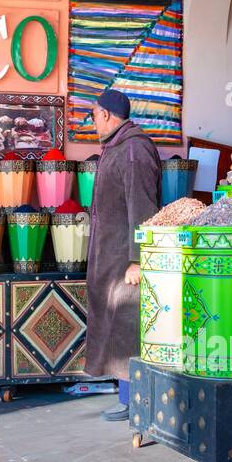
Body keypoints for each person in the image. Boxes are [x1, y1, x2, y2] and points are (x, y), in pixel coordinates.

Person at [85, 88, 161, 421]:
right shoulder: (118, 147)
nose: (92, 122)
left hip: (125, 258)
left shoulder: (133, 150)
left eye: (93, 115)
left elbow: (141, 207)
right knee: (118, 324)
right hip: (111, 252)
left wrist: (137, 258)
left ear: (105, 115)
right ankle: (128, 396)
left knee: (129, 325)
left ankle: (135, 400)